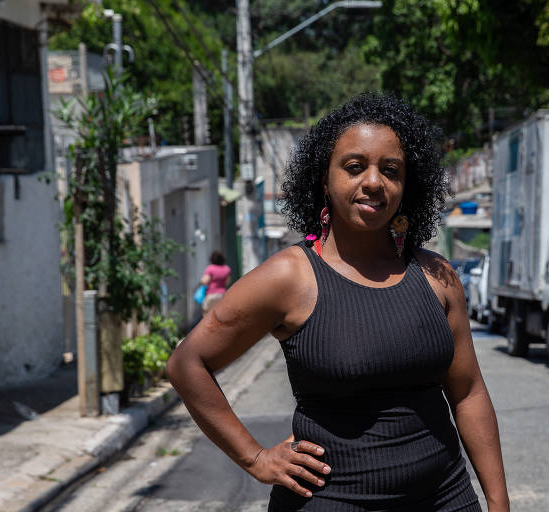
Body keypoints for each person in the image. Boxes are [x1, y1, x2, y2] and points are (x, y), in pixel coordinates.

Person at [167, 93, 509, 511]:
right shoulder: (289, 277)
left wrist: (498, 502)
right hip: (332, 500)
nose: (373, 182)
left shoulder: (438, 277)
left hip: (445, 498)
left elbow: (468, 392)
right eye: (354, 167)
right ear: (324, 180)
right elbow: (188, 363)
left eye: (390, 170)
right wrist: (256, 458)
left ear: (406, 185)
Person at [200, 251, 231, 315]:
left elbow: (205, 281)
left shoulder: (210, 268)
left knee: (207, 315)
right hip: (222, 295)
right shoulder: (226, 269)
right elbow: (227, 282)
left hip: (211, 295)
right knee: (221, 314)